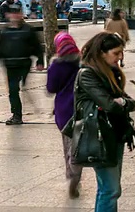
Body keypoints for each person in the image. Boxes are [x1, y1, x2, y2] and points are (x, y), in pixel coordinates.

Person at [75, 32, 135, 212]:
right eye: (116, 53)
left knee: (109, 189)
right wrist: (120, 103)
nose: (121, 57)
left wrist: (123, 102)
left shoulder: (112, 72)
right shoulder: (87, 74)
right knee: (110, 189)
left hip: (114, 134)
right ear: (102, 52)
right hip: (99, 135)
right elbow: (109, 105)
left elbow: (129, 103)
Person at [46, 32, 83, 198]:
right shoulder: (83, 64)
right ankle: (76, 173)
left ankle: (71, 173)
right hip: (81, 108)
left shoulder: (56, 66)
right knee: (79, 144)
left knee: (68, 144)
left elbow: (51, 88)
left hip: (63, 110)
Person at [0, 5, 44, 125]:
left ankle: (23, 93)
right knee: (13, 90)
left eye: (17, 13)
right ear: (8, 15)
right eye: (12, 13)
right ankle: (16, 115)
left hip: (24, 63)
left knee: (19, 87)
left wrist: (40, 61)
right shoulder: (4, 31)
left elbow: (37, 47)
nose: (14, 16)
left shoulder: (28, 30)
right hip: (10, 64)